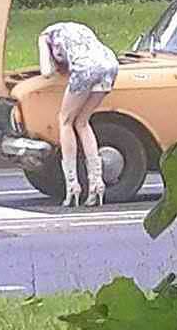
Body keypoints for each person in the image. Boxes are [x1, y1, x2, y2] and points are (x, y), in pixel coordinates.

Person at [38, 22, 119, 207]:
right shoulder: (80, 29)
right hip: (110, 65)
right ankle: (96, 182)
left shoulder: (46, 36)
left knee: (65, 120)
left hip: (86, 69)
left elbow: (46, 72)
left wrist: (54, 64)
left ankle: (72, 185)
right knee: (82, 122)